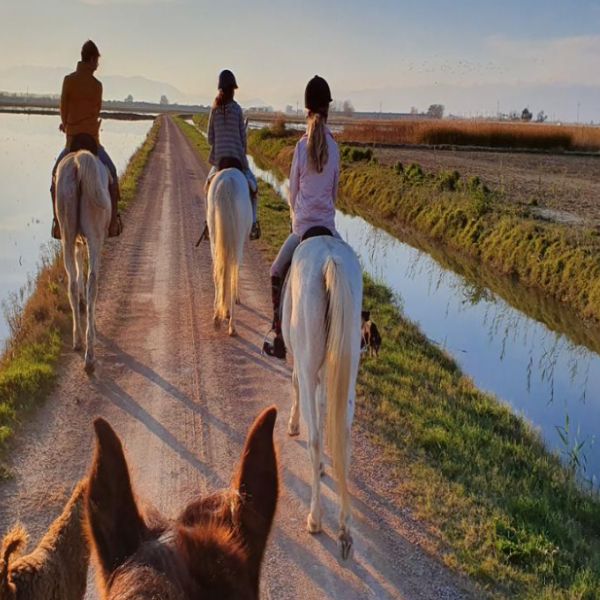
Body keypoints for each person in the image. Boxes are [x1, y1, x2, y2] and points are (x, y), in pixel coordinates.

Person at [263, 75, 342, 359]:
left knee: (275, 271)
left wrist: (297, 218)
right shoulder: (335, 148)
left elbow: (293, 192)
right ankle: (354, 333)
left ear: (307, 109)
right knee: (350, 268)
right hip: (329, 231)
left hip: (303, 230)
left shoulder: (299, 146)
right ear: (327, 110)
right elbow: (334, 194)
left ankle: (280, 336)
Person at [50, 40, 122, 239]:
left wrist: (66, 125)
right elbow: (96, 110)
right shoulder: (97, 85)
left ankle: (57, 223)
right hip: (92, 142)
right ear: (91, 59)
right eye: (97, 61)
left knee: (55, 178)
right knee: (113, 174)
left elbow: (63, 109)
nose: (97, 65)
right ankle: (113, 222)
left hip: (72, 141)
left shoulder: (68, 80)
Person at [201, 69, 260, 241]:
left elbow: (210, 139)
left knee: (207, 189)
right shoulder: (237, 110)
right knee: (254, 188)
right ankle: (254, 224)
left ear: (220, 89)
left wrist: (221, 141)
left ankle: (207, 223)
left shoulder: (214, 110)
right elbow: (243, 140)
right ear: (232, 90)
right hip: (237, 162)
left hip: (220, 163)